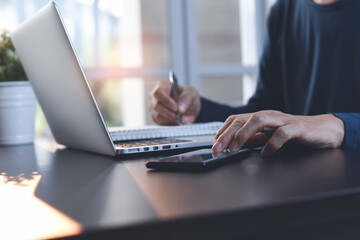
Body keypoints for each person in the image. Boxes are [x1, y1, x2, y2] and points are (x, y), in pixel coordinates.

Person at [149, 0, 360, 157]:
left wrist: (340, 127)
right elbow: (265, 112)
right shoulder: (284, 11)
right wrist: (198, 112)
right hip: (298, 186)